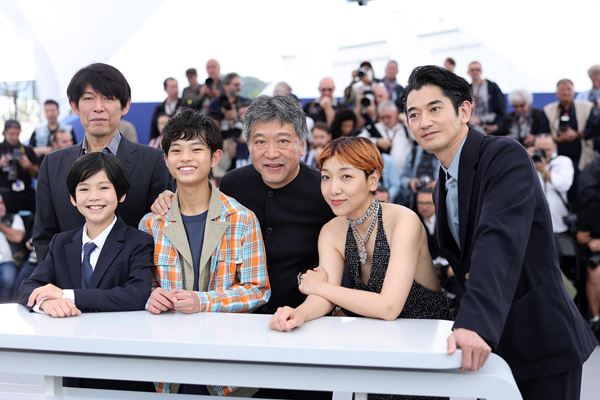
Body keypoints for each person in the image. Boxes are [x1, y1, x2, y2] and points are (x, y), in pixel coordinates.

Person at [404, 65, 597, 399]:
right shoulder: (442, 185)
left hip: (540, 342)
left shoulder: (504, 155)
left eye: (435, 109)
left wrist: (474, 323)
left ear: (465, 111)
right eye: (414, 114)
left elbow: (498, 239)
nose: (424, 122)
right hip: (493, 352)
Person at [151, 95, 334, 400]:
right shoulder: (235, 183)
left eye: (283, 141)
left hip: (305, 329)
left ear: (302, 145)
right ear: (248, 145)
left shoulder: (324, 191)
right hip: (241, 336)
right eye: (260, 142)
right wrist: (169, 199)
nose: (271, 153)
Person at [270, 137, 451, 400]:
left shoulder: (403, 221)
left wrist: (321, 287)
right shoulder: (331, 230)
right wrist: (298, 314)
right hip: (378, 346)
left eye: (346, 177)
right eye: (326, 177)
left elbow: (388, 307)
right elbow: (323, 297)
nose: (333, 189)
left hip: (427, 349)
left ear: (373, 180)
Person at [140, 109, 270, 397]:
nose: (185, 158)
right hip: (169, 368)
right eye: (176, 150)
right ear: (166, 159)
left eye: (196, 149)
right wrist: (150, 295)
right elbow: (141, 284)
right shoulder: (151, 224)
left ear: (214, 157)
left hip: (228, 370)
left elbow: (258, 290)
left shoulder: (241, 219)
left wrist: (203, 301)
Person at [19, 152, 154, 391]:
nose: (94, 197)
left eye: (104, 187)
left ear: (121, 194)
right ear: (73, 198)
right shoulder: (61, 243)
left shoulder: (138, 242)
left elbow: (137, 293)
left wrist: (66, 295)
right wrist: (46, 303)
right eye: (84, 189)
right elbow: (29, 286)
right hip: (70, 367)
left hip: (122, 368)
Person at [32, 62, 171, 262]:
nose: (98, 108)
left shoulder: (152, 161)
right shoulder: (53, 164)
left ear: (125, 105)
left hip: (131, 278)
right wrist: (55, 276)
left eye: (109, 98)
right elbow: (44, 235)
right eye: (88, 98)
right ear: (74, 106)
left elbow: (159, 232)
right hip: (67, 279)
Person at [531, 134, 574, 235]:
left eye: (548, 149)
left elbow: (564, 184)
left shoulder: (563, 162)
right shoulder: (530, 163)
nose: (544, 153)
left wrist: (543, 170)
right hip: (535, 224)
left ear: (555, 147)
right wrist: (526, 157)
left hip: (558, 225)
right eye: (540, 150)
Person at [0, 119, 39, 214]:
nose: (14, 137)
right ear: (4, 132)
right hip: (4, 193)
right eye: (11, 134)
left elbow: (38, 174)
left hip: (26, 193)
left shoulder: (27, 150)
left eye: (17, 134)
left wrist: (29, 165)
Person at [467, 61, 506, 135]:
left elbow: (502, 109)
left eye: (477, 70)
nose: (475, 72)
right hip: (473, 126)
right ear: (468, 72)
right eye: (472, 70)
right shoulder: (467, 89)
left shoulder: (492, 87)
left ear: (481, 71)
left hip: (490, 125)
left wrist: (496, 126)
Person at [0, 193, 25, 302]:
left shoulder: (14, 218)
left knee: (8, 276)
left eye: (2, 203)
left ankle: (4, 307)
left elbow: (17, 237)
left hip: (9, 261)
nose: (1, 206)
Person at [149, 77, 182, 143]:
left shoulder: (184, 105)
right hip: (163, 142)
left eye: (176, 86)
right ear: (165, 89)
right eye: (172, 87)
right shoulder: (159, 108)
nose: (175, 89)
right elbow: (154, 129)